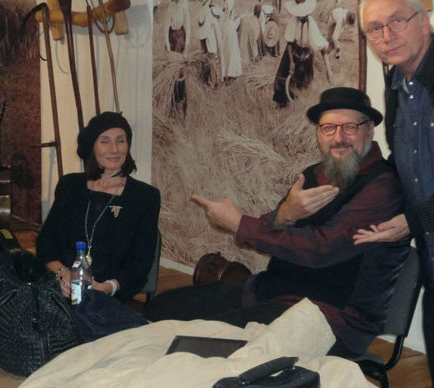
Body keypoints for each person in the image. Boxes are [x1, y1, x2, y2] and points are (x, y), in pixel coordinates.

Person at [146, 87, 410, 358]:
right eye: (328, 128)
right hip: (273, 291)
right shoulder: (313, 174)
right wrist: (285, 213)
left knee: (201, 345)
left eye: (350, 127)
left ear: (370, 130)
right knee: (163, 308)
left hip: (330, 317)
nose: (338, 138)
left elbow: (322, 248)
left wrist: (238, 224)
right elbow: (268, 233)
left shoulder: (383, 186)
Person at [354, 0, 434, 381]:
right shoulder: (395, 87)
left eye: (397, 21)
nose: (386, 36)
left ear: (425, 21)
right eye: (375, 28)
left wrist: (413, 221)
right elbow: (406, 165)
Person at [36, 112, 160, 305]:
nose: (114, 149)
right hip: (59, 286)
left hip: (107, 295)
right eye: (104, 141)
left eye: (121, 141)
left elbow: (141, 262)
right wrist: (63, 273)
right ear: (92, 147)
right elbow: (46, 242)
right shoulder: (70, 186)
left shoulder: (145, 197)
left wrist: (106, 287)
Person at [272, 0, 328, 107]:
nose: (299, 15)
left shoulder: (312, 24)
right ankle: (282, 104)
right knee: (283, 78)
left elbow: (322, 48)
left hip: (307, 56)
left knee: (304, 82)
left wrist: (329, 71)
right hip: (292, 53)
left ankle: (299, 104)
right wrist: (291, 62)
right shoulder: (294, 21)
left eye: (301, 13)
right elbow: (289, 42)